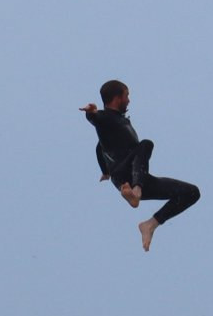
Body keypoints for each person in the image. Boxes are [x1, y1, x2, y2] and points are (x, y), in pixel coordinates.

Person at [79, 80, 200, 251]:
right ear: (117, 98)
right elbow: (96, 119)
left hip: (137, 178)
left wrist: (105, 171)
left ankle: (150, 224)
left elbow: (99, 147)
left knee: (191, 193)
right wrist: (91, 113)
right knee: (146, 144)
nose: (129, 100)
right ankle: (136, 191)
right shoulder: (106, 118)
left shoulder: (118, 123)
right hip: (126, 177)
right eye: (126, 96)